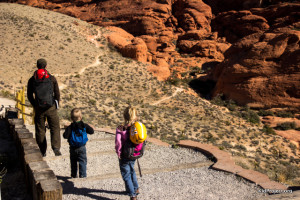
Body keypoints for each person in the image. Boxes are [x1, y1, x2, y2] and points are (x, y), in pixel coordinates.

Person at [27, 58, 61, 157]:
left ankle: (42, 151)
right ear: (46, 66)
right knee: (55, 127)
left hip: (39, 108)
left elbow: (29, 95)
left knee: (40, 130)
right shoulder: (52, 78)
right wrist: (56, 104)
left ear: (37, 66)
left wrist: (35, 105)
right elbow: (57, 94)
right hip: (51, 107)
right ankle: (56, 148)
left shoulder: (32, 80)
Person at [115, 106, 140, 200]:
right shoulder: (137, 127)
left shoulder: (121, 128)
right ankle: (136, 188)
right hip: (134, 154)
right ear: (135, 117)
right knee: (132, 170)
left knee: (126, 175)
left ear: (124, 116)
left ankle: (133, 195)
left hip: (124, 155)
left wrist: (119, 153)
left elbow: (118, 142)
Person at [63, 108, 94, 178]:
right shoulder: (84, 125)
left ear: (71, 118)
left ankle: (74, 175)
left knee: (73, 162)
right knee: (82, 161)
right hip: (82, 147)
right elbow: (92, 131)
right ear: (81, 117)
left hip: (73, 148)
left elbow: (65, 136)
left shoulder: (70, 127)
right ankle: (82, 175)